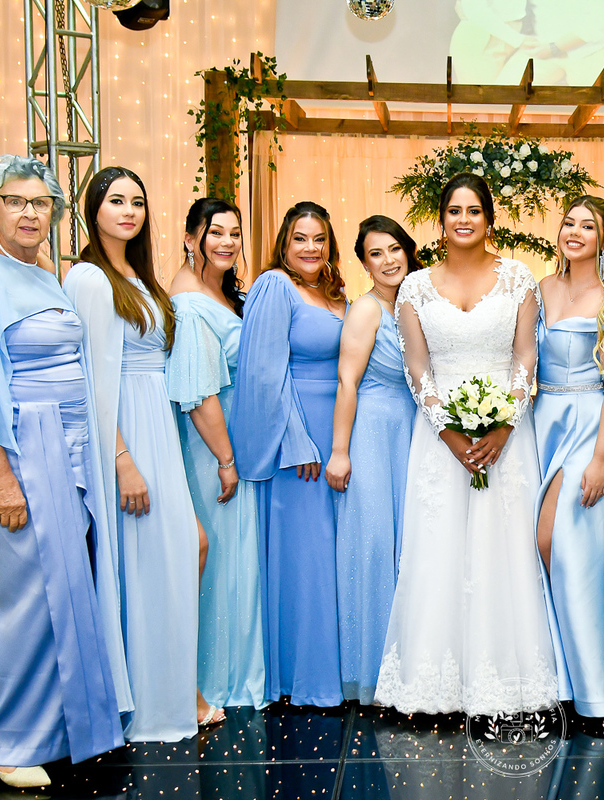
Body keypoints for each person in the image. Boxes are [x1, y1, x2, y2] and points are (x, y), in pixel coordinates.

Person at [0, 155, 127, 787]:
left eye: (41, 203)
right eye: (15, 201)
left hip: (71, 448)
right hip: (23, 450)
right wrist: (0, 479)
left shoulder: (45, 274)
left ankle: (63, 727)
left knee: (65, 591)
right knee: (25, 598)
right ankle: (10, 741)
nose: (30, 213)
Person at [374, 173, 558, 715]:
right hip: (438, 440)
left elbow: (525, 358)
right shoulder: (414, 288)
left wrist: (503, 426)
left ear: (489, 219)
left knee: (504, 548)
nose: (463, 219)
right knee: (439, 549)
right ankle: (432, 681)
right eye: (454, 210)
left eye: (474, 210)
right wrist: (449, 433)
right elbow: (417, 368)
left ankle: (506, 679)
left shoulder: (519, 279)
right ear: (440, 220)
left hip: (508, 438)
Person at [64, 167, 200, 742]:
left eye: (137, 202)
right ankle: (145, 704)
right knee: (143, 562)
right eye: (116, 200)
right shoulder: (89, 278)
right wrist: (121, 459)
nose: (128, 211)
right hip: (124, 432)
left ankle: (171, 691)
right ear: (92, 209)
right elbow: (91, 379)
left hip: (158, 425)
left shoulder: (139, 277)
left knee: (173, 554)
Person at [230, 202, 345, 708]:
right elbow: (262, 371)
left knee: (331, 555)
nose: (310, 248)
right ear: (284, 243)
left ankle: (336, 670)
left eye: (319, 239)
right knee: (306, 558)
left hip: (335, 434)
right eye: (300, 238)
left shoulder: (334, 292)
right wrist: (296, 440)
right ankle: (304, 679)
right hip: (297, 442)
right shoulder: (274, 286)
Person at [534, 196, 604, 722]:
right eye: (569, 223)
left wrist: (601, 458)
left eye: (587, 226)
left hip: (588, 424)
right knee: (537, 550)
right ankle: (558, 684)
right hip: (540, 423)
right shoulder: (542, 287)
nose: (574, 232)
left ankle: (594, 692)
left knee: (562, 544)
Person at [167, 197, 265, 713]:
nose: (227, 242)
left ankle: (237, 669)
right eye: (215, 232)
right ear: (191, 238)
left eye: (234, 232)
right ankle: (215, 678)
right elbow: (199, 394)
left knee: (237, 560)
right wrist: (226, 461)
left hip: (234, 440)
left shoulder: (220, 291)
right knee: (221, 561)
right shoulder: (187, 303)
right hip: (212, 448)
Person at [325, 216, 420, 704]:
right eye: (375, 254)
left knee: (408, 546)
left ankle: (409, 665)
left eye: (394, 249)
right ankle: (371, 672)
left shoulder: (414, 303)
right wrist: (340, 452)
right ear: (364, 264)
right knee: (375, 546)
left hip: (412, 430)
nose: (388, 260)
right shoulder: (366, 309)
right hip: (372, 432)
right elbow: (347, 381)